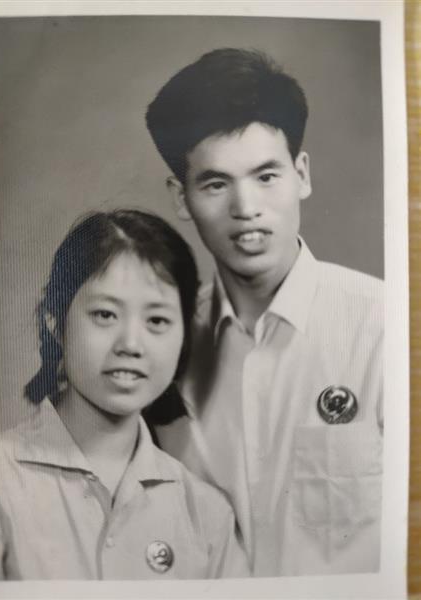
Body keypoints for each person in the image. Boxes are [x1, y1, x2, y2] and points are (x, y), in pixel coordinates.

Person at [146, 48, 383, 576]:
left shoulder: (385, 328)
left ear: (302, 174)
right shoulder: (163, 346)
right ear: (181, 198)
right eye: (215, 184)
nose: (246, 208)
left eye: (266, 176)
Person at [0, 209, 249, 580]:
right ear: (55, 322)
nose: (130, 344)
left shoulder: (207, 515)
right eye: (105, 315)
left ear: (183, 337)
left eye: (157, 320)